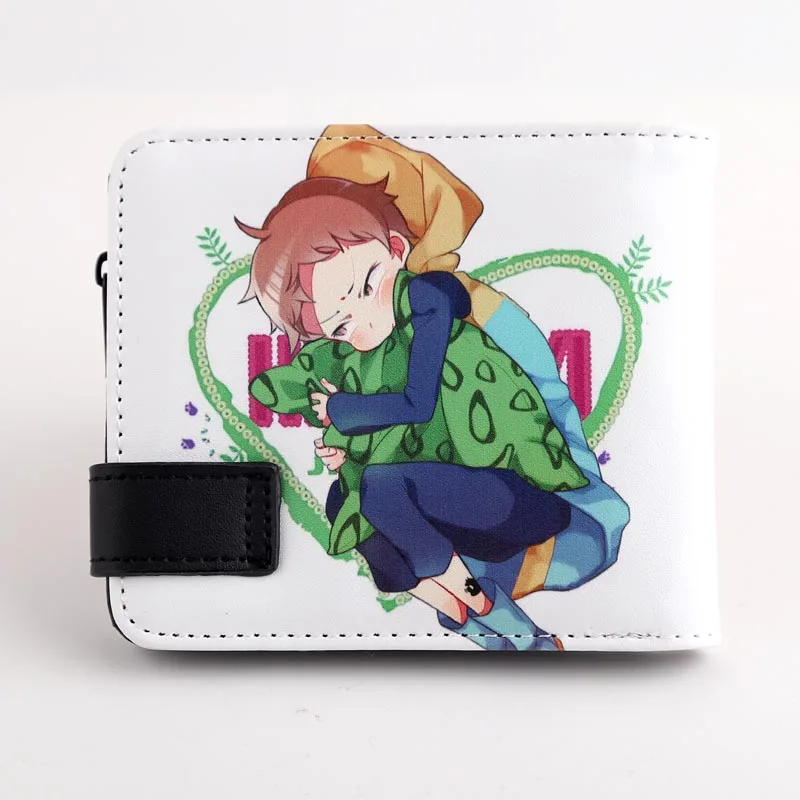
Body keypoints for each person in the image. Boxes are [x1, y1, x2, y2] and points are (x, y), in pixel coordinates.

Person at [240, 171, 593, 650]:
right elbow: (402, 446)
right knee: (346, 502)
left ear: (396, 249)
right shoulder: (367, 355)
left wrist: (342, 409)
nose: (365, 322)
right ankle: (477, 614)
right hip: (453, 511)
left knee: (382, 488)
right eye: (341, 326)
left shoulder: (429, 306)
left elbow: (418, 404)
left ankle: (476, 602)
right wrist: (349, 454)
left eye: (368, 285)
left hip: (517, 497)